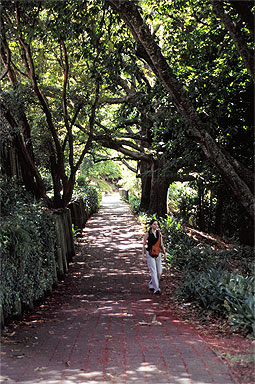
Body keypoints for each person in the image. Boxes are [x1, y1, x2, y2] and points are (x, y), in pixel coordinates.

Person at [142, 219, 166, 295]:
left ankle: (151, 284)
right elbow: (144, 245)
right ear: (151, 225)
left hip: (158, 253)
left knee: (159, 272)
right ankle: (156, 289)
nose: (156, 226)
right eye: (154, 224)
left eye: (157, 224)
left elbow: (161, 244)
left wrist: (164, 253)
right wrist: (143, 255)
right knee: (153, 271)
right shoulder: (148, 234)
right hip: (150, 254)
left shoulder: (159, 233)